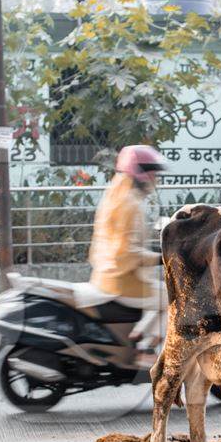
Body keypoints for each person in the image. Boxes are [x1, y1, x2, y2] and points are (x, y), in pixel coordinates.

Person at [88, 145, 167, 362]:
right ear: (143, 172)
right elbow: (127, 251)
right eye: (154, 173)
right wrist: (161, 257)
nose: (157, 179)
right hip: (122, 281)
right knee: (175, 297)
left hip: (106, 276)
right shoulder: (130, 203)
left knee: (162, 294)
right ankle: (145, 349)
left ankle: (138, 336)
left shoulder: (117, 194)